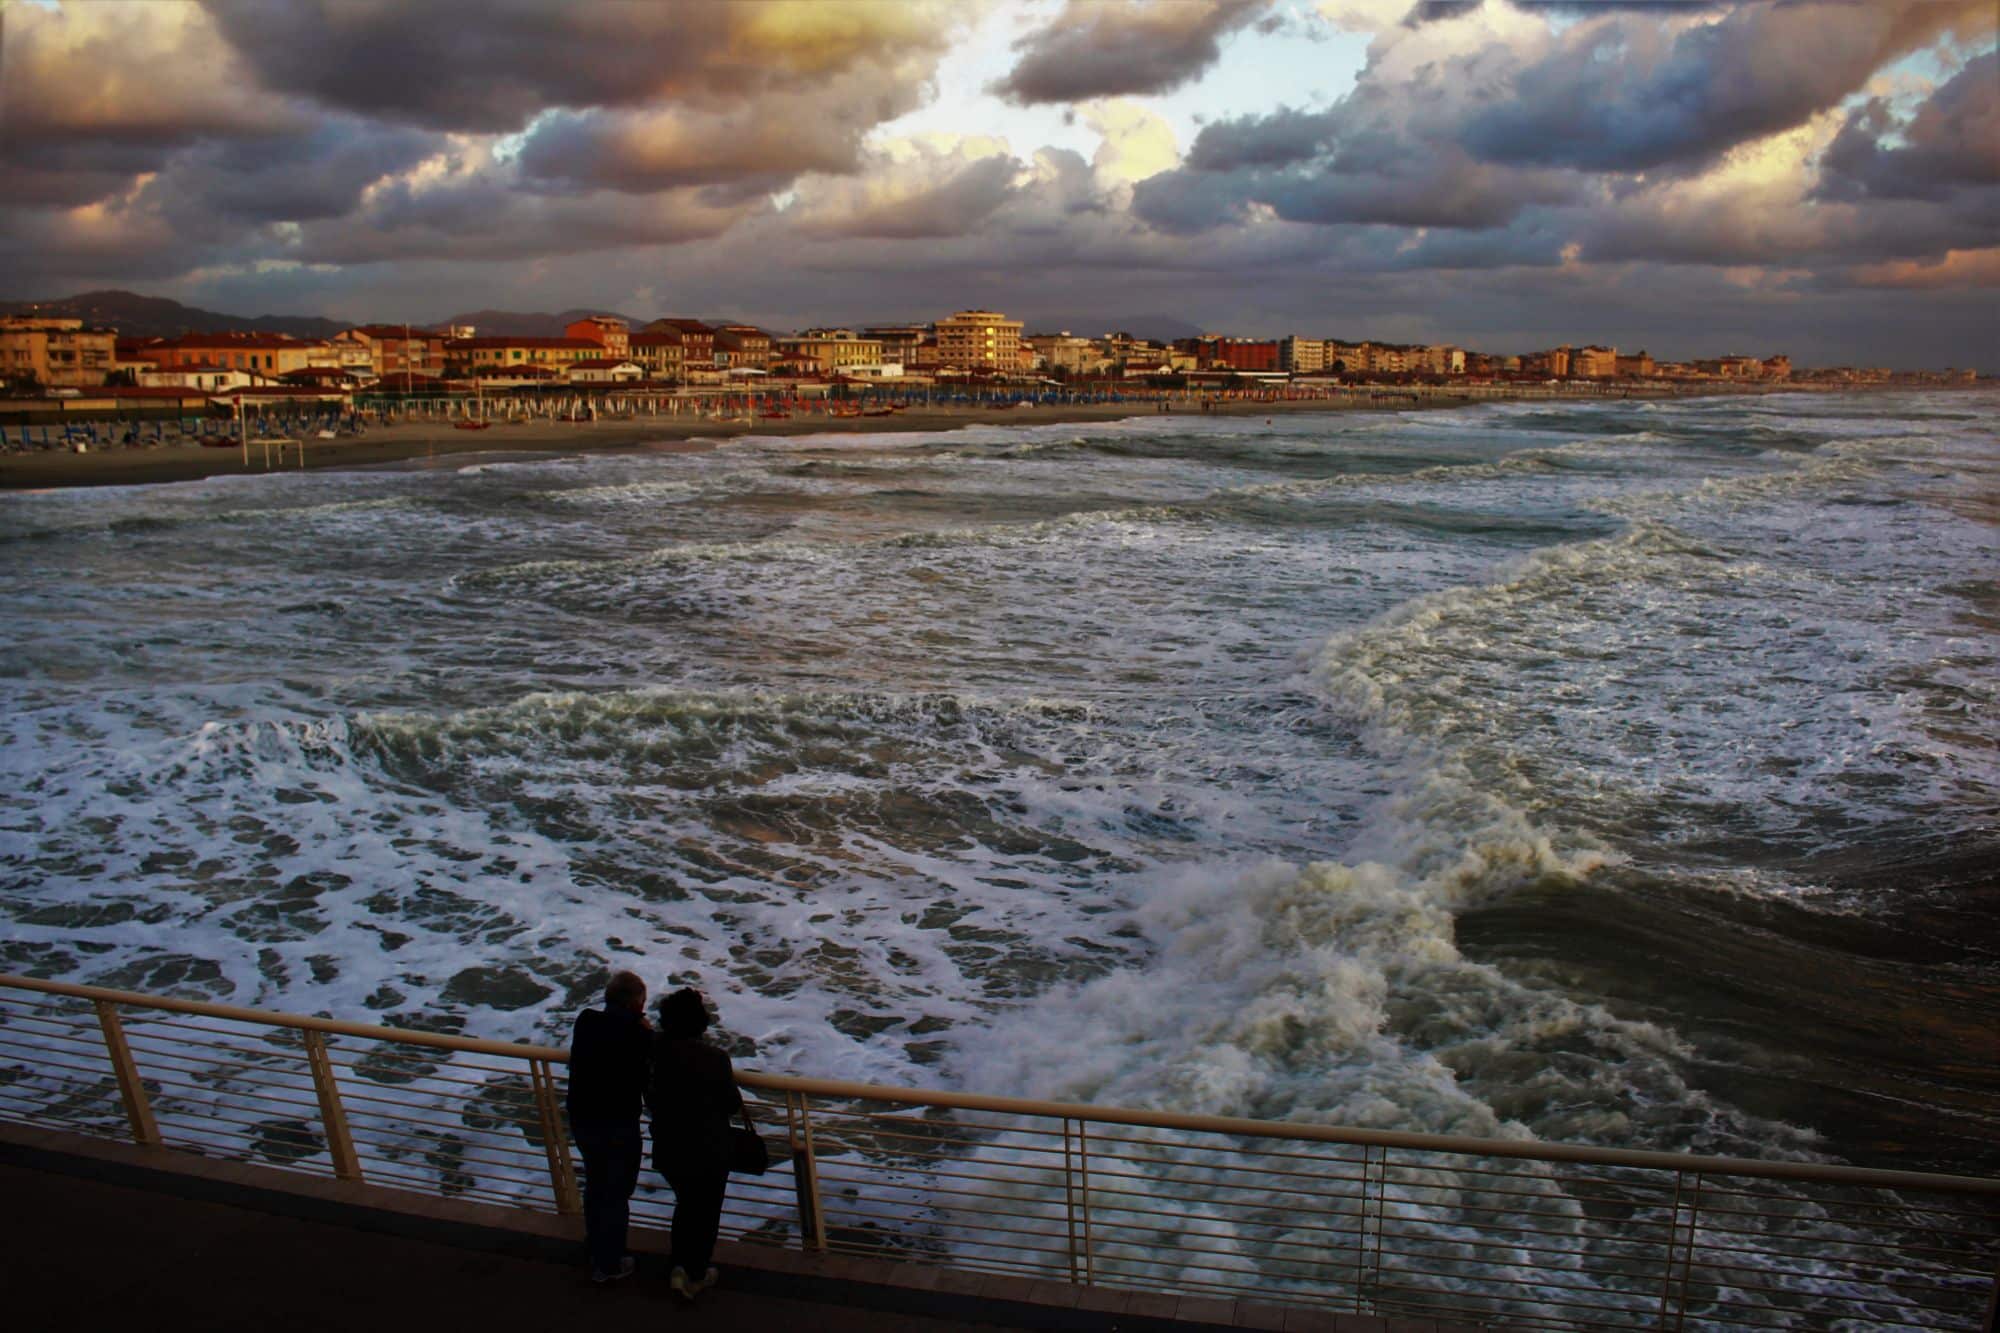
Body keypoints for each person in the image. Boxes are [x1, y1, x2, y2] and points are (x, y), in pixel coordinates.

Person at [646, 986, 747, 1303]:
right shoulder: (714, 1059)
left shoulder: (653, 1051)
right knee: (705, 1214)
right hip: (707, 1150)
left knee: (686, 1205)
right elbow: (731, 1104)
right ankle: (696, 1275)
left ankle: (679, 1266)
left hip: (669, 1146)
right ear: (700, 1022)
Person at [565, 970, 651, 1284]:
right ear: (636, 1005)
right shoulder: (639, 1035)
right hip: (617, 1125)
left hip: (583, 1119)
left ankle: (595, 1246)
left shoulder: (585, 1021)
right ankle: (609, 1263)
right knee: (616, 1193)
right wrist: (645, 1028)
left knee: (597, 1185)